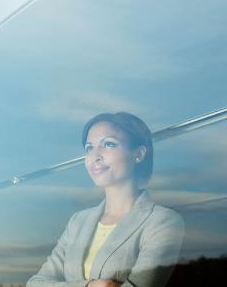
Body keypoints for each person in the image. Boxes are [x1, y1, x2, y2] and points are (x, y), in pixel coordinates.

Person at [27, 112, 184, 287]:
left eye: (108, 144)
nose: (95, 156)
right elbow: (36, 283)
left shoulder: (162, 222)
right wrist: (90, 286)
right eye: (89, 148)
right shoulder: (78, 222)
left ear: (139, 154)